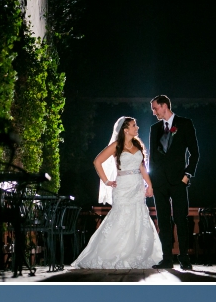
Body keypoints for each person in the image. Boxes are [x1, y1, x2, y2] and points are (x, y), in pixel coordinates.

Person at [70, 117, 163, 271]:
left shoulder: (137, 145)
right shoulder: (117, 145)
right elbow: (97, 161)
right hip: (123, 188)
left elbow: (142, 168)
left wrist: (150, 185)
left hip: (137, 187)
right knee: (120, 219)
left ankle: (136, 254)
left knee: (138, 218)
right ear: (125, 130)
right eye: (134, 125)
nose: (137, 127)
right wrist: (107, 181)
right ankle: (114, 254)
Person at [148, 95, 200, 270]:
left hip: (178, 181)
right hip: (159, 182)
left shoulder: (185, 123)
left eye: (155, 108)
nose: (154, 112)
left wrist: (187, 176)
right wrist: (152, 181)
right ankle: (167, 258)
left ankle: (184, 257)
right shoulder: (154, 129)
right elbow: (152, 158)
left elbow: (195, 153)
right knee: (163, 220)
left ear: (164, 106)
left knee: (181, 219)